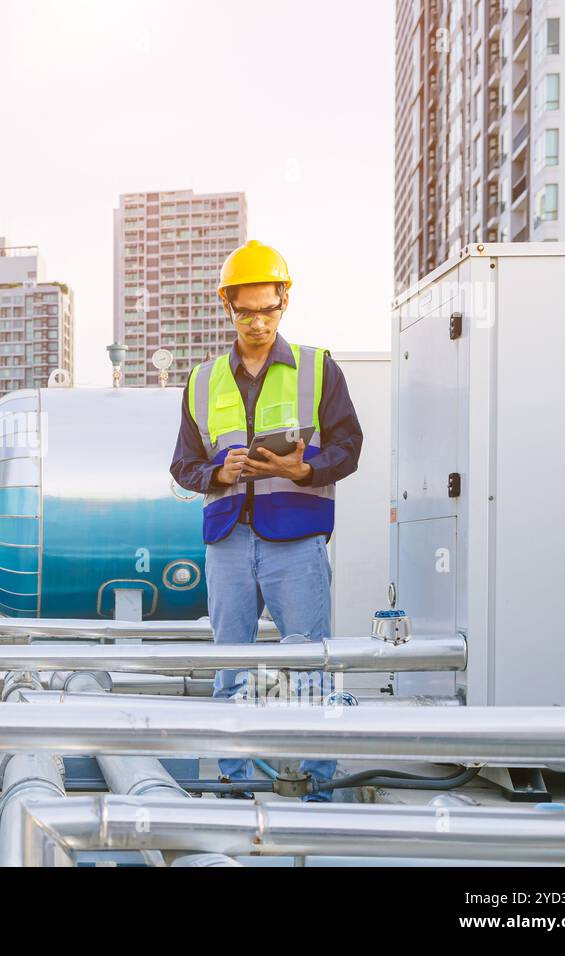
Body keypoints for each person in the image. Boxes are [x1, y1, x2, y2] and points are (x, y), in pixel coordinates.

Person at [169, 240, 363, 801]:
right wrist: (219, 476)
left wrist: (303, 467)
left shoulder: (317, 368)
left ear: (285, 302)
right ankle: (237, 783)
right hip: (228, 539)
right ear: (226, 307)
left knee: (310, 665)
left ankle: (317, 790)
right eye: (246, 311)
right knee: (231, 666)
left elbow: (350, 448)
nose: (258, 322)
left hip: (296, 539)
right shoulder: (202, 382)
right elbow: (183, 464)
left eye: (268, 309)